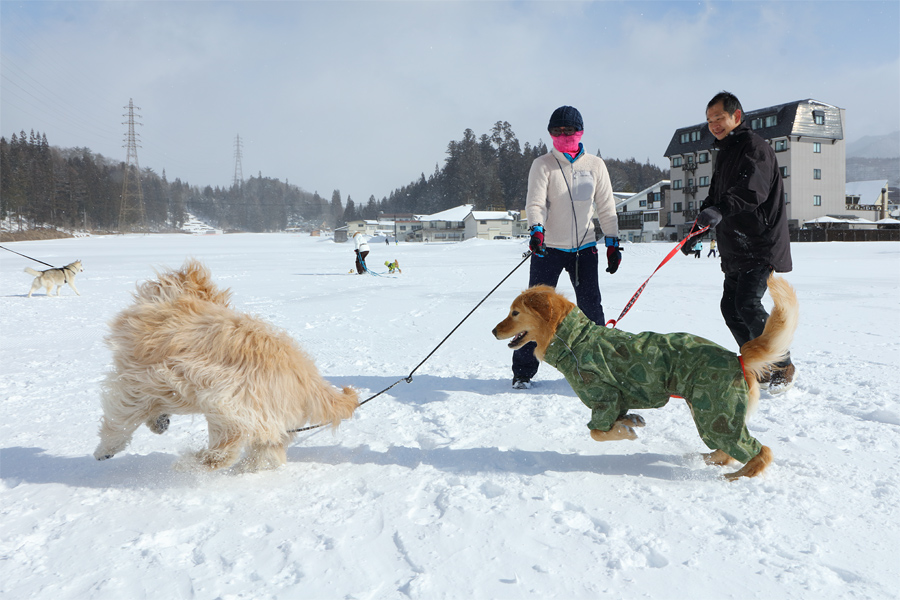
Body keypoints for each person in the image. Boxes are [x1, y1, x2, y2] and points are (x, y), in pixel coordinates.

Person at [682, 91, 794, 393]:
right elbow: (714, 197)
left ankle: (782, 365)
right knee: (730, 307)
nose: (714, 125)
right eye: (709, 120)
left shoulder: (754, 148)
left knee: (745, 303)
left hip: (759, 243)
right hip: (736, 245)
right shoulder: (727, 152)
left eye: (719, 118)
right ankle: (758, 363)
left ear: (736, 117)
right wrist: (696, 230)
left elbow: (750, 191)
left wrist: (720, 209)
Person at [512, 105, 621, 389]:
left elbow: (607, 207)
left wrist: (612, 242)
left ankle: (598, 369)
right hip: (548, 249)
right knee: (533, 311)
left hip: (584, 248)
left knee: (591, 310)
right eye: (557, 131)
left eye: (568, 130)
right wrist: (537, 229)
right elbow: (535, 203)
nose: (563, 135)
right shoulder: (543, 164)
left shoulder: (595, 165)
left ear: (580, 131)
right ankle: (523, 372)